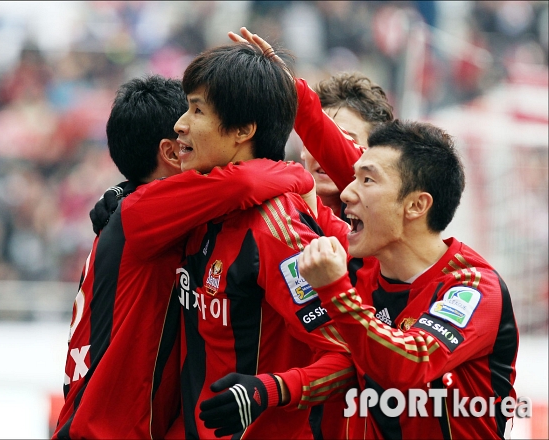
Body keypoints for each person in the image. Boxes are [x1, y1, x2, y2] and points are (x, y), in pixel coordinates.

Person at [53, 74, 316, 439]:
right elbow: (243, 183)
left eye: (197, 114)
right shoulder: (145, 211)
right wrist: (301, 177)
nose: (186, 128)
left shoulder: (143, 210)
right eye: (186, 120)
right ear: (171, 152)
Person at [146, 42, 357, 439]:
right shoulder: (202, 208)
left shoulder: (276, 230)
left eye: (197, 110)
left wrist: (267, 391)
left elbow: (346, 356)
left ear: (243, 131)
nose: (180, 123)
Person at [297, 119, 519, 439]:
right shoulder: (363, 267)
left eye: (368, 179)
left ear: (416, 205)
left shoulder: (474, 287)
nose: (346, 192)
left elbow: (409, 364)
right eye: (354, 177)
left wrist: (335, 291)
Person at [300, 72, 394, 220]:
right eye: (318, 139)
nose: (328, 152)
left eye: (346, 140)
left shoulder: (383, 223)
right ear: (303, 147)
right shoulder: (278, 208)